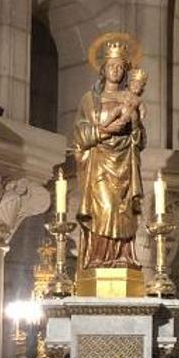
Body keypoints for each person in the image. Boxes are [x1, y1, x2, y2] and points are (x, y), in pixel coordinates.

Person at [72, 37, 145, 270]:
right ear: (103, 69)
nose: (116, 70)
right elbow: (79, 134)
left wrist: (134, 126)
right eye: (112, 66)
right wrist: (102, 132)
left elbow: (140, 139)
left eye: (120, 66)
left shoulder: (132, 100)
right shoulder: (90, 99)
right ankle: (98, 259)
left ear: (125, 71)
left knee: (122, 212)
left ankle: (122, 258)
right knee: (104, 209)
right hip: (99, 164)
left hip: (124, 164)